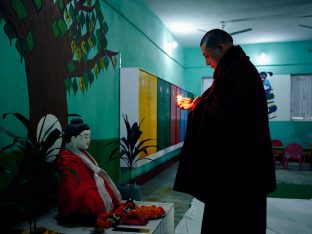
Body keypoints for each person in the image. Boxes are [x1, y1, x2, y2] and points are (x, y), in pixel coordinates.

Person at [173, 29, 276, 234]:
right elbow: (217, 104)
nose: (206, 62)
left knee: (230, 223)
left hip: (237, 172)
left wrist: (197, 107)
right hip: (239, 169)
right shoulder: (234, 71)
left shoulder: (238, 73)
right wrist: (197, 103)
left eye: (206, 55)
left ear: (220, 48)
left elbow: (225, 118)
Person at [56, 118, 122, 224]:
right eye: (85, 137)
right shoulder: (66, 157)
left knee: (107, 189)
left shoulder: (83, 153)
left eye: (89, 137)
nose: (89, 140)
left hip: (88, 184)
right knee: (92, 198)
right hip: (77, 190)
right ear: (73, 139)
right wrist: (89, 186)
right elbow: (70, 185)